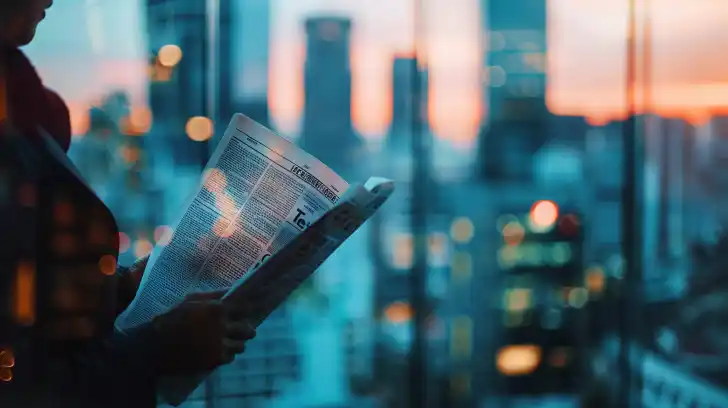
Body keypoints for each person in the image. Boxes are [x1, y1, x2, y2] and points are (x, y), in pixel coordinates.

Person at [0, 1, 256, 407]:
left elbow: (19, 289)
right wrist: (157, 349)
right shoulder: (18, 117)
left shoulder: (22, 106)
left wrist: (116, 289)